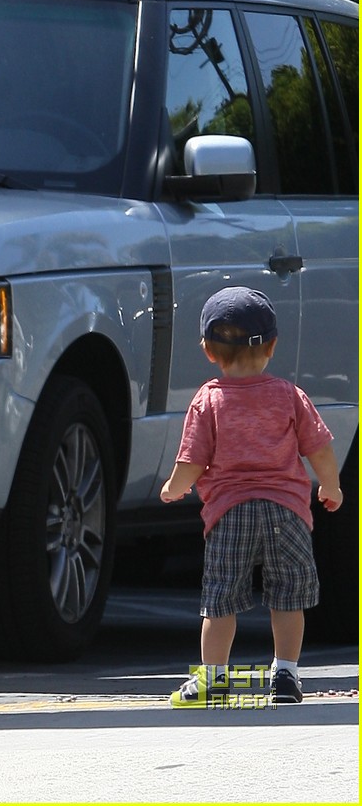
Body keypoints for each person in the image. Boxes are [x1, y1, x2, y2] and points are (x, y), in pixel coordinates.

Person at [160, 286, 342, 708]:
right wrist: (329, 486)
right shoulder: (289, 395)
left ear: (207, 350)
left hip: (230, 513)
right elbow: (319, 447)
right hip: (288, 513)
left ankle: (214, 680)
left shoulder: (209, 399)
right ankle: (286, 674)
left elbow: (192, 458)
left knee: (220, 599)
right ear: (273, 345)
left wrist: (175, 486)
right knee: (287, 597)